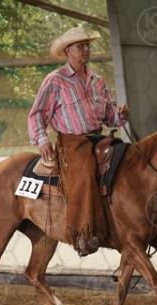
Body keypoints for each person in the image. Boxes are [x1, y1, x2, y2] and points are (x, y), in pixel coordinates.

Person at [27, 26, 130, 256]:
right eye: (80, 46)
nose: (86, 49)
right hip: (72, 142)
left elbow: (110, 118)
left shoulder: (98, 81)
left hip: (98, 138)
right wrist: (43, 141)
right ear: (68, 51)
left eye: (87, 46)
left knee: (126, 158)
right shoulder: (55, 81)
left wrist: (121, 115)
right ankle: (82, 233)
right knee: (83, 172)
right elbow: (36, 114)